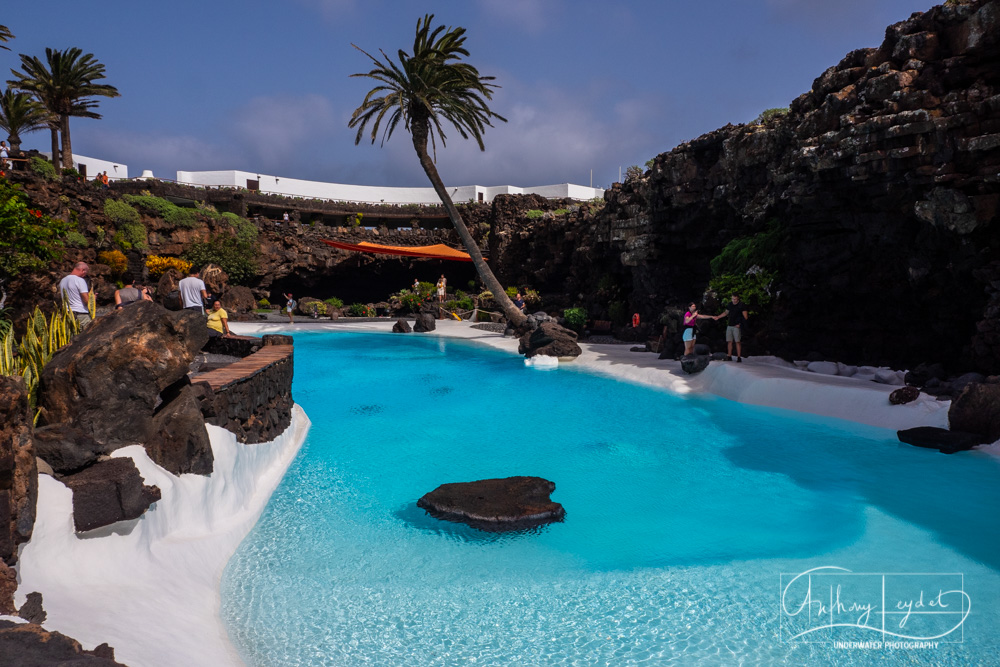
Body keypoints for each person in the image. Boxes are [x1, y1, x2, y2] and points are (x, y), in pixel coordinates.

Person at [59, 262, 92, 328]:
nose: (85, 275)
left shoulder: (63, 280)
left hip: (68, 314)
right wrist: (92, 299)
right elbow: (86, 300)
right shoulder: (80, 280)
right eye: (85, 273)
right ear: (82, 270)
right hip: (81, 314)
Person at [722, 293, 749, 362]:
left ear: (738, 299)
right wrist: (718, 317)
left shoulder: (741, 305)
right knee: (729, 341)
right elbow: (726, 312)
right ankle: (729, 355)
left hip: (736, 326)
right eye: (732, 299)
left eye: (735, 299)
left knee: (737, 341)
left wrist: (740, 323)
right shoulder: (730, 304)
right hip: (730, 325)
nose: (733, 300)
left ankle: (739, 357)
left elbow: (745, 317)